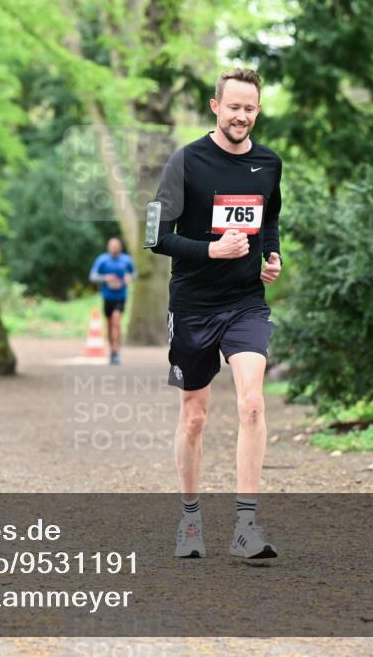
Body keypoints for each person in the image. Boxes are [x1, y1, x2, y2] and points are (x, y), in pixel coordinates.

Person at [147, 68, 283, 559]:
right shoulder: (187, 161)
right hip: (194, 306)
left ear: (258, 110)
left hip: (246, 303)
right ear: (215, 107)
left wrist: (272, 258)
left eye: (250, 108)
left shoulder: (269, 163)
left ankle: (246, 525)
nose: (241, 116)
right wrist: (210, 252)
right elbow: (156, 236)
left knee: (251, 403)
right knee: (195, 417)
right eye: (233, 107)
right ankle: (189, 519)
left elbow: (269, 221)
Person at [89, 237, 136, 365]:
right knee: (110, 325)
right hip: (107, 297)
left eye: (117, 246)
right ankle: (112, 351)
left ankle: (116, 351)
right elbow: (92, 276)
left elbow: (133, 273)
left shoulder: (126, 260)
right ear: (108, 247)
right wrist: (106, 278)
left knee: (116, 321)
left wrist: (129, 278)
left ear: (120, 247)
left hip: (121, 297)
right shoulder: (102, 260)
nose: (114, 248)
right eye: (112, 246)